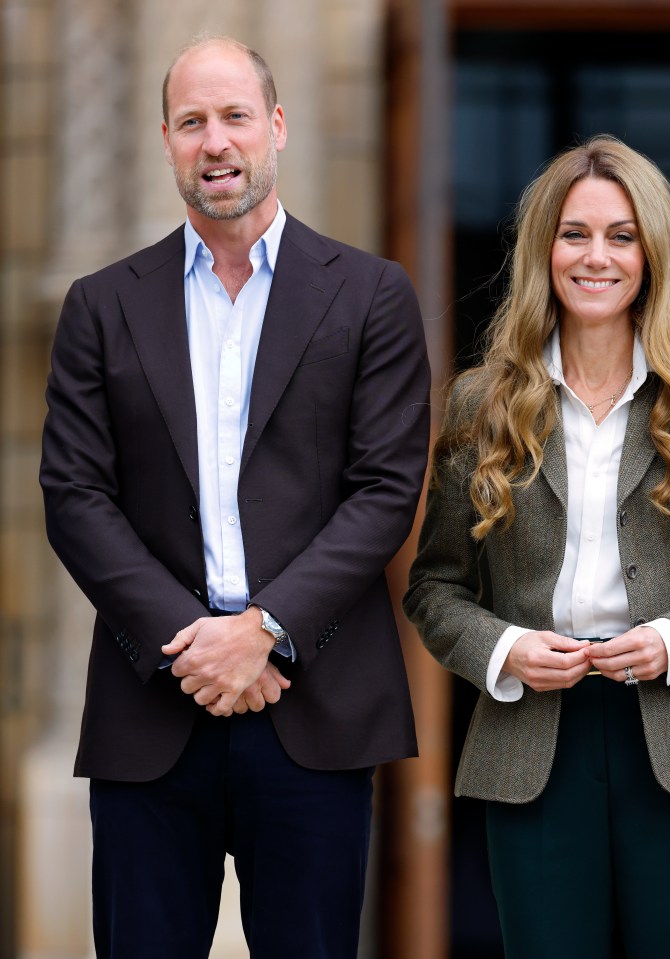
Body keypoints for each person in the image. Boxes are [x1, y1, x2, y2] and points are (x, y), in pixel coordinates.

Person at [39, 33, 431, 959]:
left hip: (314, 703)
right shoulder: (101, 304)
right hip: (152, 709)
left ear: (277, 127)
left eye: (235, 117)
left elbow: (385, 490)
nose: (215, 142)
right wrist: (197, 644)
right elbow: (74, 496)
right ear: (165, 141)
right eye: (191, 122)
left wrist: (262, 629)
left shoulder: (372, 294)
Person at [403, 134, 670, 959]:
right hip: (532, 745)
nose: (596, 257)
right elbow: (434, 587)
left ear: (652, 254)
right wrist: (505, 649)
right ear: (543, 250)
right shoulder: (482, 404)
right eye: (574, 234)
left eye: (621, 236)